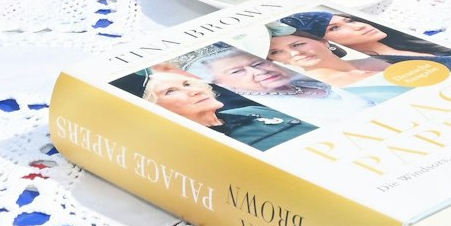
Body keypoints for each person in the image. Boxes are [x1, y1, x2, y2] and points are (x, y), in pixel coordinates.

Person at [116, 65, 313, 151]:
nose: (194, 91)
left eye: (187, 84)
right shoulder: (195, 148)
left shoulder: (251, 111)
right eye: (170, 91)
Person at [180, 43, 370, 125]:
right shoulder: (263, 110)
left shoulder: (307, 79)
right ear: (219, 83)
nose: (259, 72)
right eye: (237, 71)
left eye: (257, 64)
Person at [265, 18, 411, 107]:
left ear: (324, 42)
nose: (295, 53)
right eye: (276, 52)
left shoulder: (381, 60)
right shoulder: (325, 93)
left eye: (298, 44)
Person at [319, 13, 451, 68]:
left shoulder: (417, 43)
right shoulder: (373, 67)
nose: (359, 26)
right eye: (335, 28)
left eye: (350, 21)